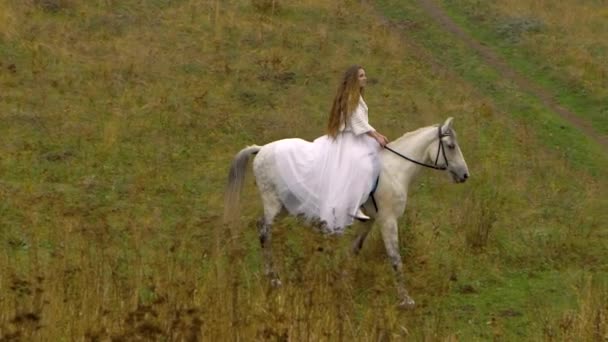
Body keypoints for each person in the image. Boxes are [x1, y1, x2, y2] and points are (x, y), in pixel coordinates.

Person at [273, 65, 388, 232]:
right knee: (360, 166)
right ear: (354, 80)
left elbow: (362, 122)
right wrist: (376, 135)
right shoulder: (350, 98)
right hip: (348, 139)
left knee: (374, 162)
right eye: (361, 76)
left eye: (365, 75)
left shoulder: (357, 97)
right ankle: (352, 206)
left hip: (357, 137)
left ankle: (364, 202)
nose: (365, 78)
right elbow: (357, 123)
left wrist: (376, 135)